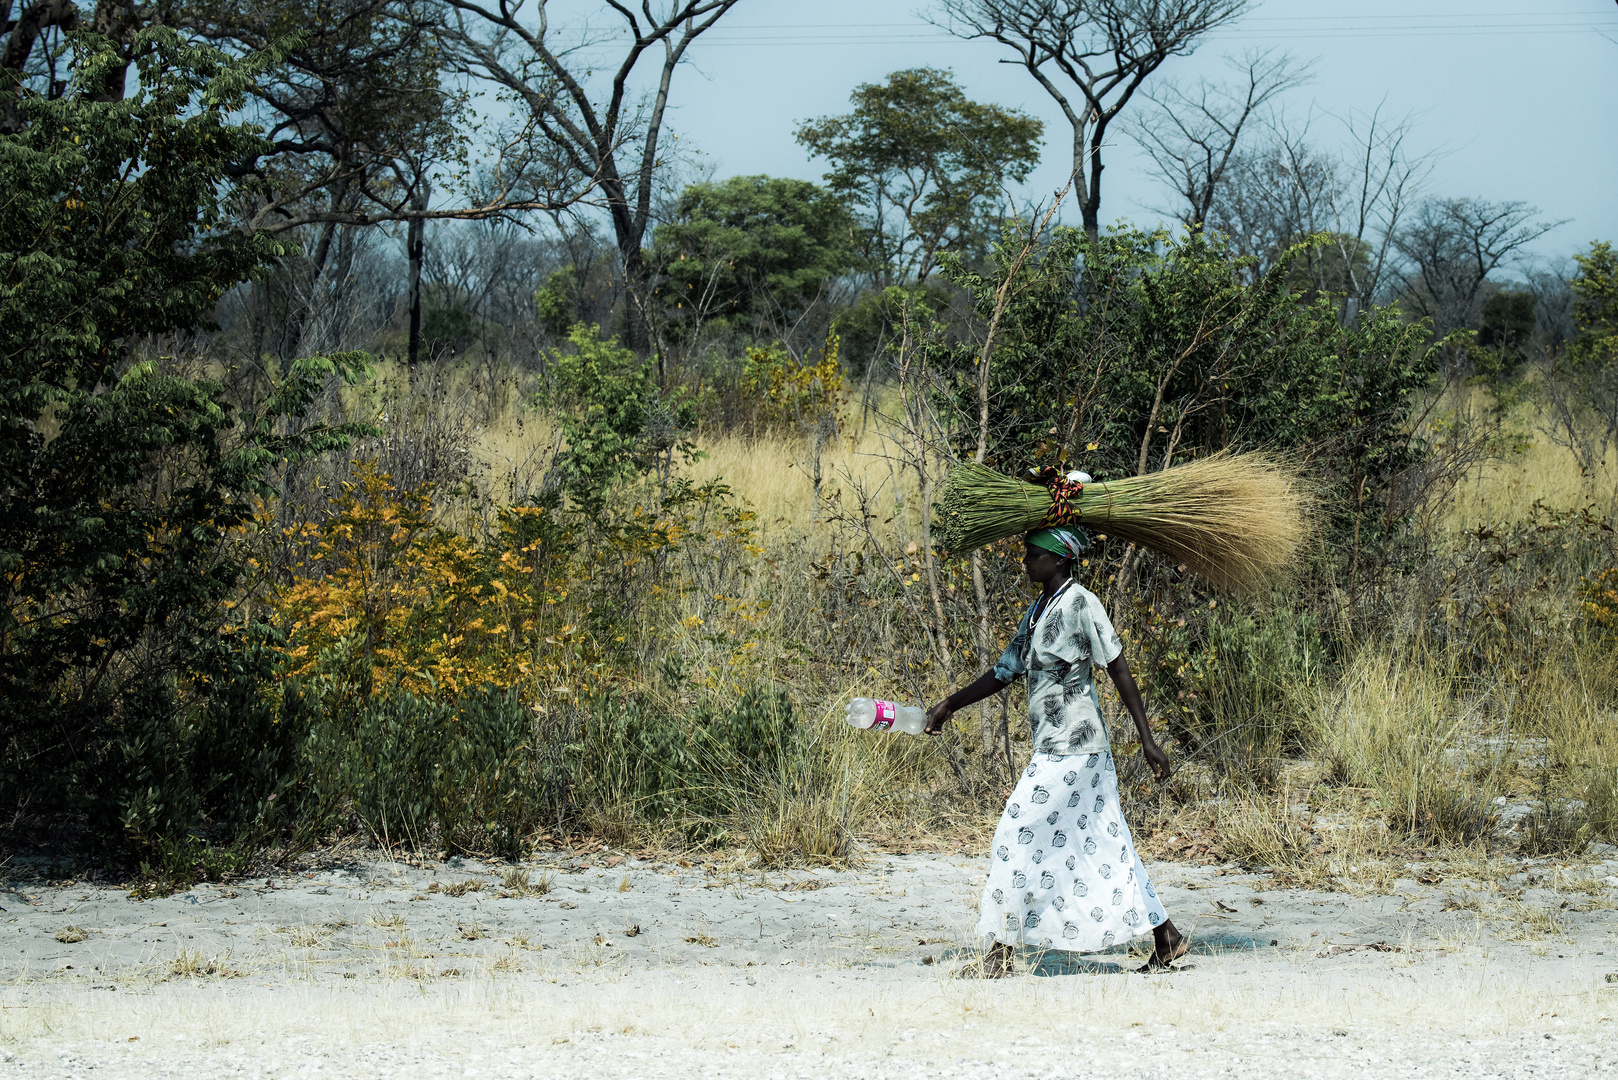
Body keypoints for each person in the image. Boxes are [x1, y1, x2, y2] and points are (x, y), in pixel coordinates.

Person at [925, 526, 1188, 976]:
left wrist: (1147, 740)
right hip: (1054, 747)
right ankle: (1167, 936)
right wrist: (952, 703)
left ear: (1060, 559)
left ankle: (1000, 953)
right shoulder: (1039, 608)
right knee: (1106, 841)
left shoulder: (1081, 602)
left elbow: (1118, 666)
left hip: (1078, 749)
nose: (1025, 561)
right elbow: (1004, 671)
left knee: (1015, 830)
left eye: (1032, 554)